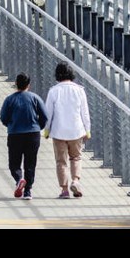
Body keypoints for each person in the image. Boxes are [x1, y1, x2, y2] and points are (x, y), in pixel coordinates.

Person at [43, 62, 91, 199]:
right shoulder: (79, 90)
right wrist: (87, 129)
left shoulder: (54, 91)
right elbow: (85, 113)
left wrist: (47, 130)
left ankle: (64, 190)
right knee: (76, 157)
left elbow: (49, 113)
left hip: (59, 131)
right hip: (76, 130)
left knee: (61, 161)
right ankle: (75, 181)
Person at [0, 73, 47, 201]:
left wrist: (10, 124)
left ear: (16, 84)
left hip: (15, 134)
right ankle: (28, 191)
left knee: (14, 162)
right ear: (28, 85)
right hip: (33, 134)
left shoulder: (10, 99)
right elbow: (44, 116)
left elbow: (3, 117)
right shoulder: (35, 98)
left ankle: (19, 179)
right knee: (30, 163)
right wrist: (38, 127)